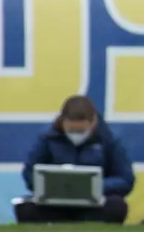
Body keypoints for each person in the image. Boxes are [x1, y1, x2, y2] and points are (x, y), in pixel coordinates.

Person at [15, 95, 134, 224]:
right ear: (62, 121)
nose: (76, 135)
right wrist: (50, 186)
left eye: (81, 130)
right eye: (71, 130)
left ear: (93, 122)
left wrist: (94, 186)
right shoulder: (47, 138)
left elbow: (126, 179)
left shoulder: (109, 139)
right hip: (55, 204)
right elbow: (29, 173)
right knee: (25, 208)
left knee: (117, 207)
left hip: (93, 204)